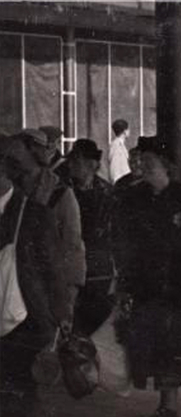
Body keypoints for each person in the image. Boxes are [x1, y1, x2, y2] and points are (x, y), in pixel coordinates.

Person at [116, 151, 181, 417]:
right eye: (140, 163)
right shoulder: (134, 198)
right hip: (147, 287)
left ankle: (168, 407)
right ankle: (164, 402)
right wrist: (125, 285)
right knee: (153, 344)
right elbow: (127, 246)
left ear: (166, 166)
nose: (142, 168)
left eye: (149, 163)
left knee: (172, 345)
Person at [0, 137, 68, 417]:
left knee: (20, 375)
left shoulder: (35, 214)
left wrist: (60, 314)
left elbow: (54, 269)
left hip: (26, 309)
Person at [9, 130, 85, 329]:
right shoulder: (11, 188)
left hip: (44, 289)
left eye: (17, 149)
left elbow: (73, 245)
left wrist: (70, 291)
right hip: (13, 285)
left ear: (32, 151)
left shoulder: (60, 194)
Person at [64, 139, 115, 336]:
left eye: (76, 160)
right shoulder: (64, 191)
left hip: (98, 272)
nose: (71, 165)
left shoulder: (108, 193)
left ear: (92, 164)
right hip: (72, 268)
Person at [107, 119, 130, 184]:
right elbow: (114, 169)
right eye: (128, 129)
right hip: (120, 185)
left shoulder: (121, 145)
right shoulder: (116, 145)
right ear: (125, 131)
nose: (129, 131)